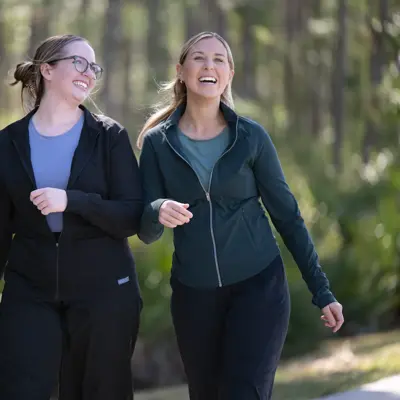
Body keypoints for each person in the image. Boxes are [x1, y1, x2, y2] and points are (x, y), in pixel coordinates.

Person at [137, 31, 344, 400]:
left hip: (258, 286)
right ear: (181, 71)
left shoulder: (250, 137)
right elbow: (147, 229)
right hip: (193, 295)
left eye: (219, 59)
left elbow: (288, 217)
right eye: (199, 58)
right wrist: (157, 210)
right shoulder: (157, 143)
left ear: (229, 73)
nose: (208, 65)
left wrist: (322, 290)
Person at [0, 34, 143, 400]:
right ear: (47, 70)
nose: (89, 74)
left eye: (94, 66)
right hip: (29, 288)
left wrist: (72, 201)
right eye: (79, 63)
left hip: (105, 290)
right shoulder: (8, 142)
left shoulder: (109, 137)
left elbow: (131, 215)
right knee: (20, 388)